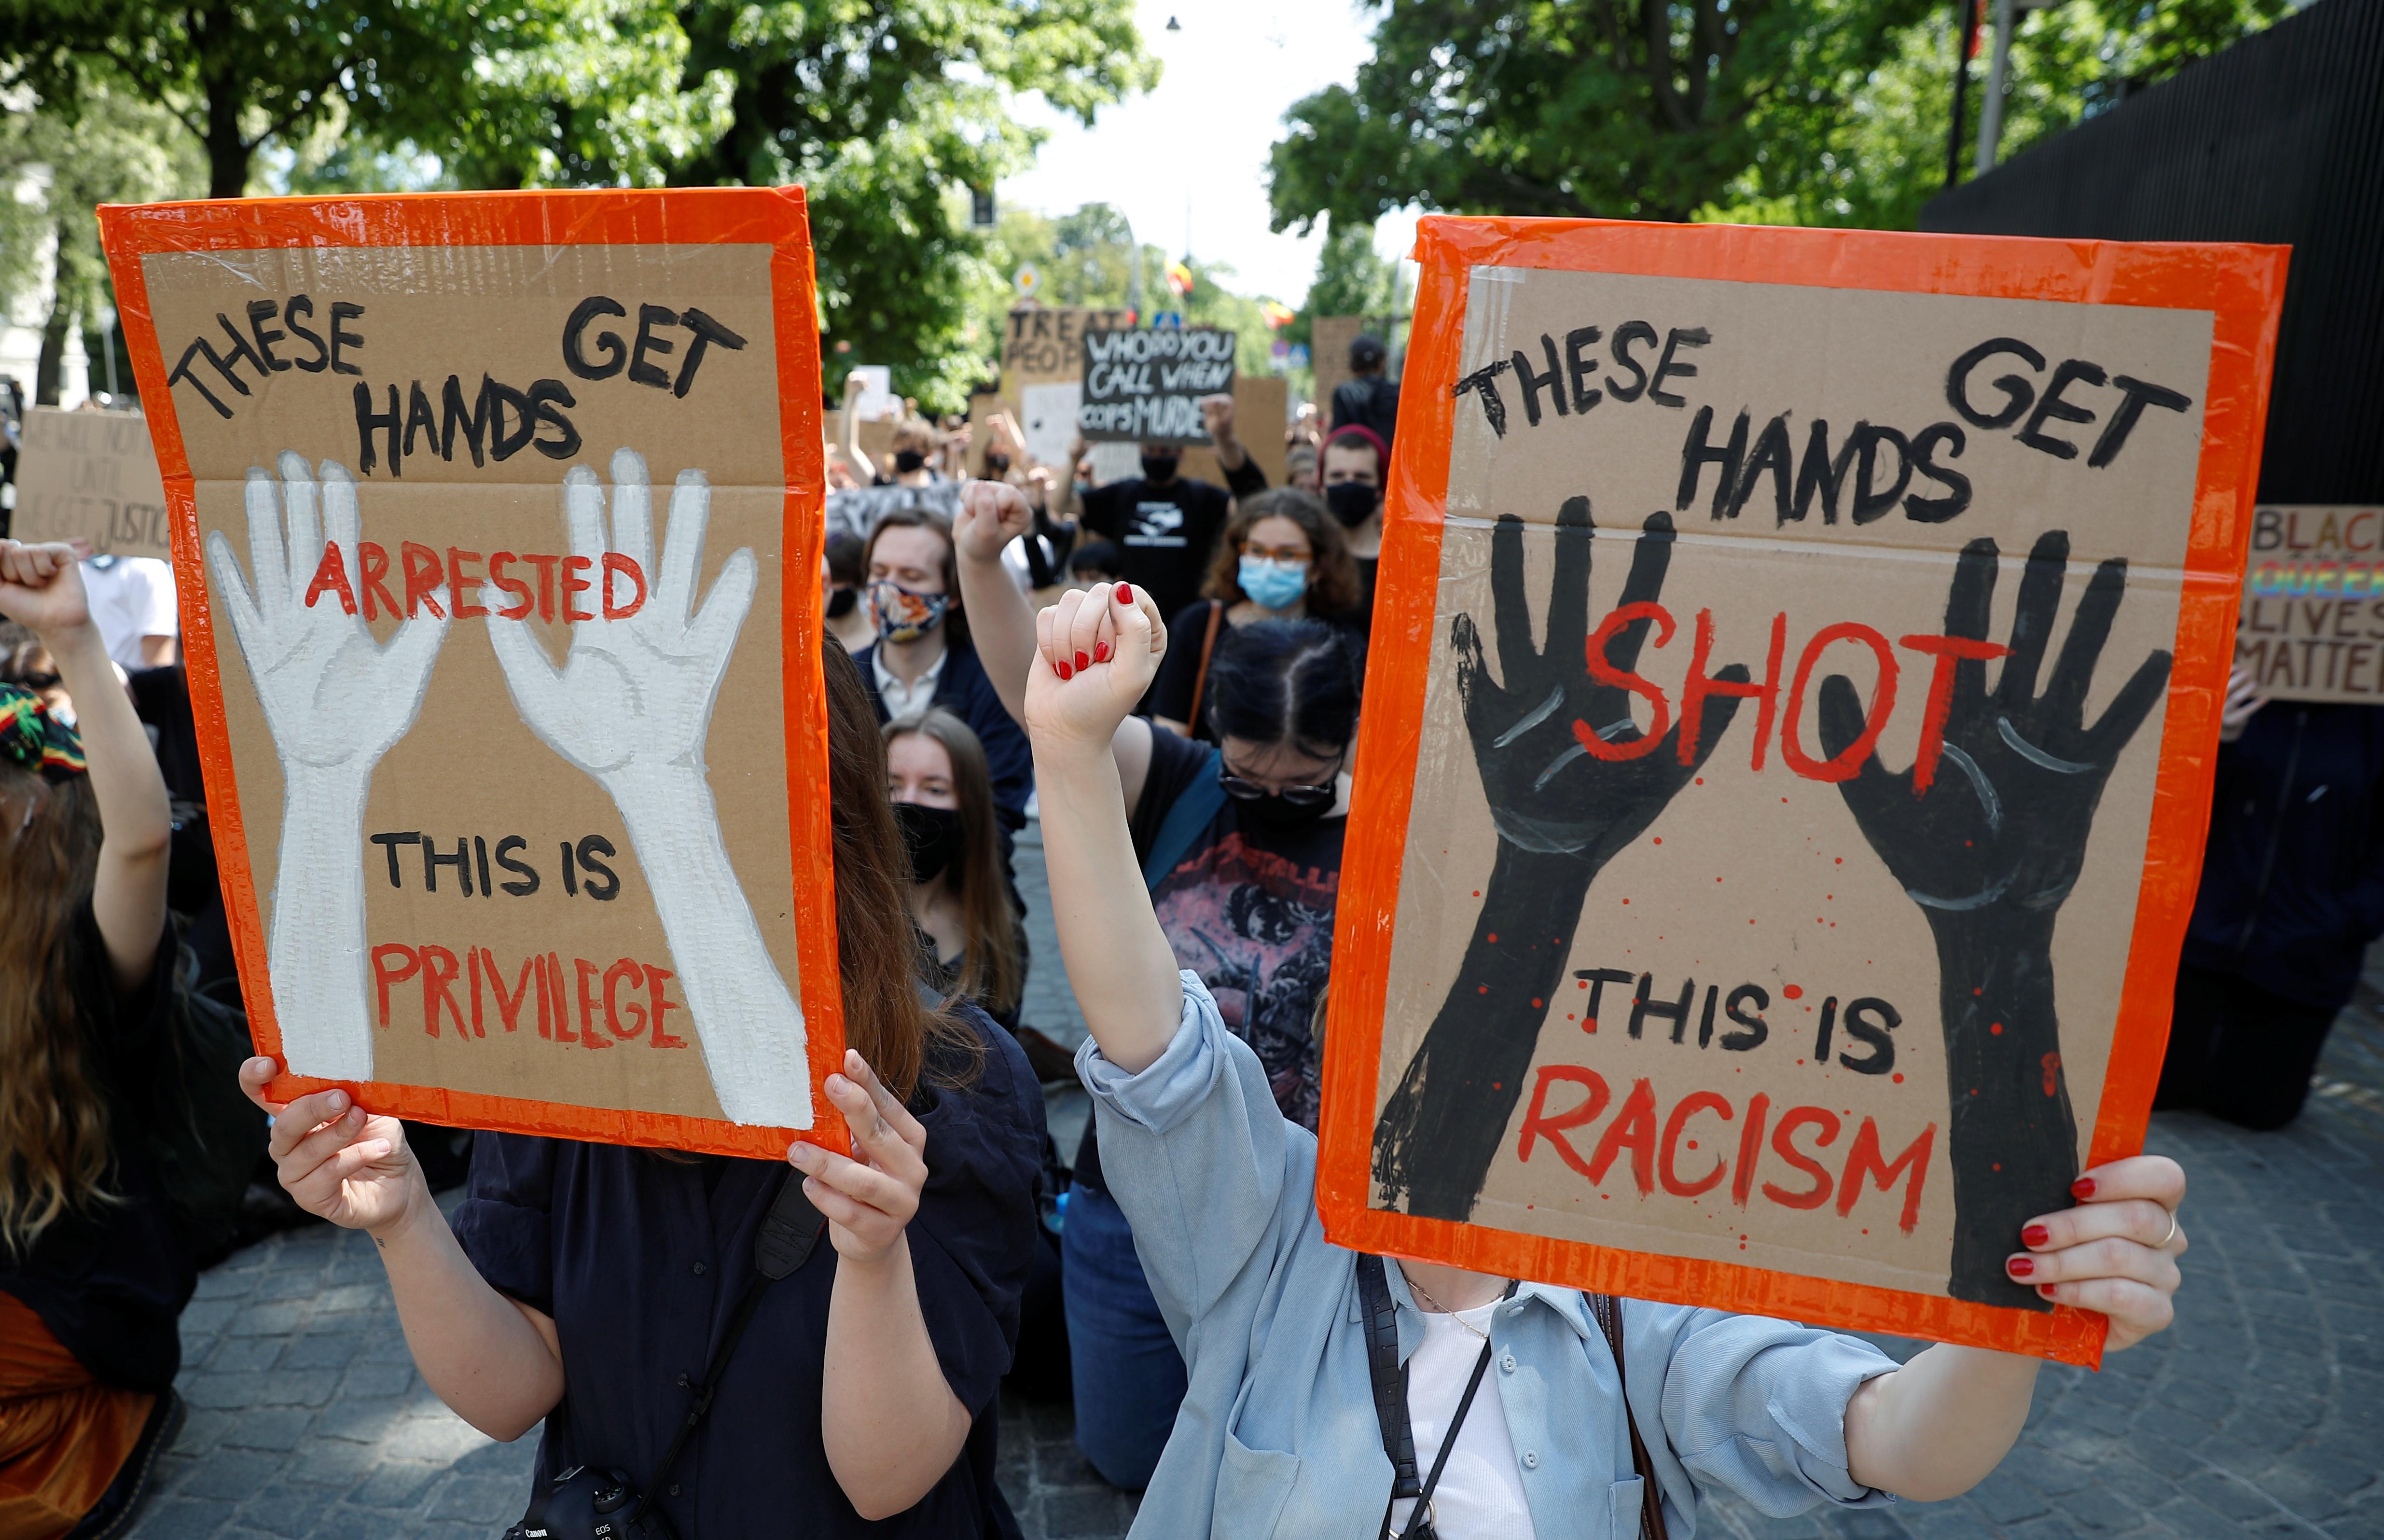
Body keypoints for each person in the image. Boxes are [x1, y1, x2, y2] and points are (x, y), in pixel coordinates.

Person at [1021, 575, 2193, 1539]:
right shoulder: (1270, 1233)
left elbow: (1888, 1433)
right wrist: (1070, 754)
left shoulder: (1640, 1312)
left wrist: (2017, 1303)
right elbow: (1153, 1044)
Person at [238, 637, 1046, 1538]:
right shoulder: (553, 1044)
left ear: (823, 815)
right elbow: (514, 1391)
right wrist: (401, 1217)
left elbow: (884, 1480)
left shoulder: (956, 1084)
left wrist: (874, 1257)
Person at [955, 481, 1357, 1489]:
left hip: (1298, 1217)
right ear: (1218, 733)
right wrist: (979, 564)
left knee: (1277, 1463)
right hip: (1131, 1209)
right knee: (1129, 1453)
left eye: (1305, 775)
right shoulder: (1174, 778)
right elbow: (1036, 703)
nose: (1273, 790)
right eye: (1252, 769)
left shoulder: (1384, 830)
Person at [0, 539, 187, 1537]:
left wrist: (71, 633)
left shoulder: (87, 957)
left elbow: (141, 835)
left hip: (84, 1310)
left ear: (27, 828)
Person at [2157, 666, 2384, 1129]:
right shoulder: (2232, 694)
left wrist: (2345, 921)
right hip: (2197, 948)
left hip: (2303, 962)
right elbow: (2165, 812)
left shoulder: (2372, 726)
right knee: (2164, 1089)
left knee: (2257, 1111)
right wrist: (2210, 742)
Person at [856, 508, 1033, 837]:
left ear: (951, 594)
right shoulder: (839, 682)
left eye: (911, 576)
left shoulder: (995, 685)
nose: (888, 589)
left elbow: (1002, 810)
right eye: (879, 572)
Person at [1150, 488, 1367, 740]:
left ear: (1318, 568)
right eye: (1257, 551)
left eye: (1288, 554)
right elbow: (1169, 735)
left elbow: (1353, 748)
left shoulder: (1342, 643)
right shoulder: (1199, 626)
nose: (1269, 564)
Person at [1066, 394, 1269, 627]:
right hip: (1130, 620)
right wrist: (1074, 460)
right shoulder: (1123, 494)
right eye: (1151, 450)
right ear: (1140, 450)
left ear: (1181, 452)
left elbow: (1253, 500)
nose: (1157, 457)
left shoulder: (1201, 496)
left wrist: (1225, 440)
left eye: (1165, 451)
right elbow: (1062, 506)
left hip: (1189, 622)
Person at [887, 708, 1026, 1034]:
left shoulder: (998, 928)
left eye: (934, 789)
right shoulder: (842, 920)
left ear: (969, 806)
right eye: (892, 786)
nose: (909, 802)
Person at [1320, 423, 1389, 624]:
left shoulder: (1397, 565)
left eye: (1362, 477)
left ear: (1380, 488)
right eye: (1337, 476)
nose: (1349, 485)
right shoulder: (1309, 557)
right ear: (1322, 485)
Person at [78, 553, 177, 670]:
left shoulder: (147, 568)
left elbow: (160, 665)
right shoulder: (73, 567)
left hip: (125, 685)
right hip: (78, 684)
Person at [1330, 332, 1400, 452]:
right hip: (1393, 466)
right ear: (1382, 362)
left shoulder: (1343, 393)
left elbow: (1338, 438)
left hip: (1357, 463)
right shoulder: (1398, 392)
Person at [823, 530, 875, 654]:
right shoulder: (808, 641)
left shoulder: (879, 641)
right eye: (822, 580)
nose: (829, 588)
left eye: (837, 580)